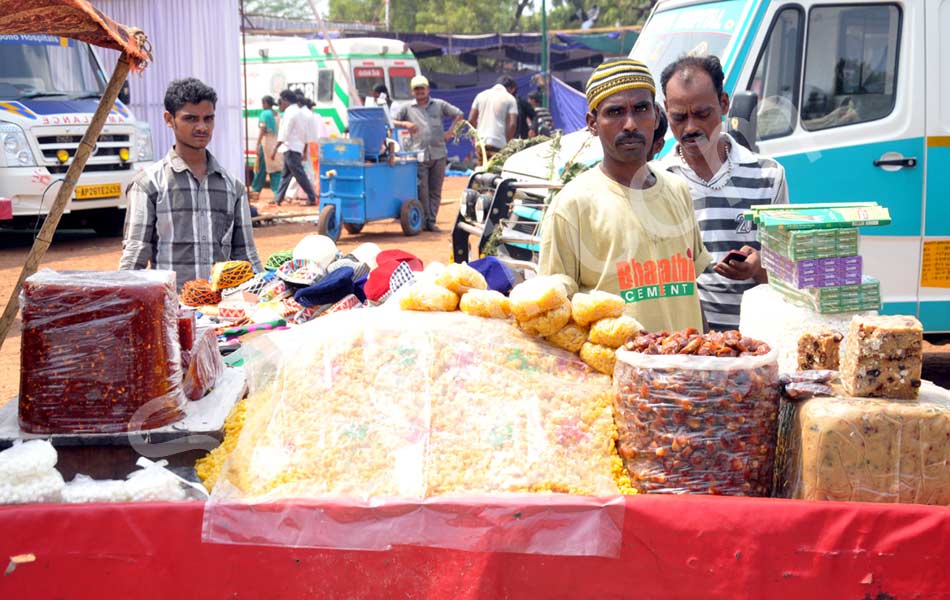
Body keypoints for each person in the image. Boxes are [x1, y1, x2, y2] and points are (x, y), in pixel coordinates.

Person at [538, 59, 712, 333]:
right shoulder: (572, 206)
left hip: (686, 368)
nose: (630, 124)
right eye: (615, 112)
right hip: (617, 373)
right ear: (593, 124)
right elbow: (552, 312)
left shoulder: (678, 191)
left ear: (655, 115)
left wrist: (707, 352)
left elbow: (690, 291)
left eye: (641, 109)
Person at [659, 55, 788, 332]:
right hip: (684, 346)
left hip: (758, 341)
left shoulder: (768, 175)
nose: (691, 127)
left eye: (703, 114)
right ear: (666, 112)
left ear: (724, 104)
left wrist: (757, 268)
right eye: (679, 117)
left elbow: (789, 274)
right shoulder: (656, 182)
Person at [119, 78, 263, 287]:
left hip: (222, 309)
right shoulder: (148, 185)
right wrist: (122, 304)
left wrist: (265, 293)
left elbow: (246, 255)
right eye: (191, 119)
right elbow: (134, 258)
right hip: (171, 309)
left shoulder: (233, 187)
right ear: (169, 119)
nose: (202, 127)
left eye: (208, 118)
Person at [392, 75, 464, 231]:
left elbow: (459, 114)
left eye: (422, 88)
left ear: (427, 90)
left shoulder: (438, 104)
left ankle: (431, 221)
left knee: (435, 189)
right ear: (412, 91)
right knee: (421, 189)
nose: (419, 92)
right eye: (416, 89)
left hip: (438, 153)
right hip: (418, 154)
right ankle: (423, 221)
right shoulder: (407, 108)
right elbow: (391, 121)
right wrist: (404, 123)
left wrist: (450, 133)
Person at [271, 89, 317, 206]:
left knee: (299, 175)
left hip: (291, 147)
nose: (279, 105)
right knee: (286, 175)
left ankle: (312, 197)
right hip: (295, 146)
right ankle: (278, 198)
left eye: (281, 101)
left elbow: (285, 132)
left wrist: (275, 148)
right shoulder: (299, 111)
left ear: (286, 100)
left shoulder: (290, 113)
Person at [469, 75, 518, 160]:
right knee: (496, 169)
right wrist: (508, 141)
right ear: (511, 88)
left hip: (481, 142)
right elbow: (513, 124)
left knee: (482, 167)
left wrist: (475, 137)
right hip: (499, 143)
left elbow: (471, 120)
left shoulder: (480, 95)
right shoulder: (510, 99)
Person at [250, 95, 283, 198]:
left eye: (263, 103)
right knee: (276, 169)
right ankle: (277, 192)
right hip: (276, 144)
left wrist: (257, 143)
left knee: (261, 168)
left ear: (266, 103)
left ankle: (256, 191)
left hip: (266, 143)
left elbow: (263, 130)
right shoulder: (278, 114)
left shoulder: (264, 114)